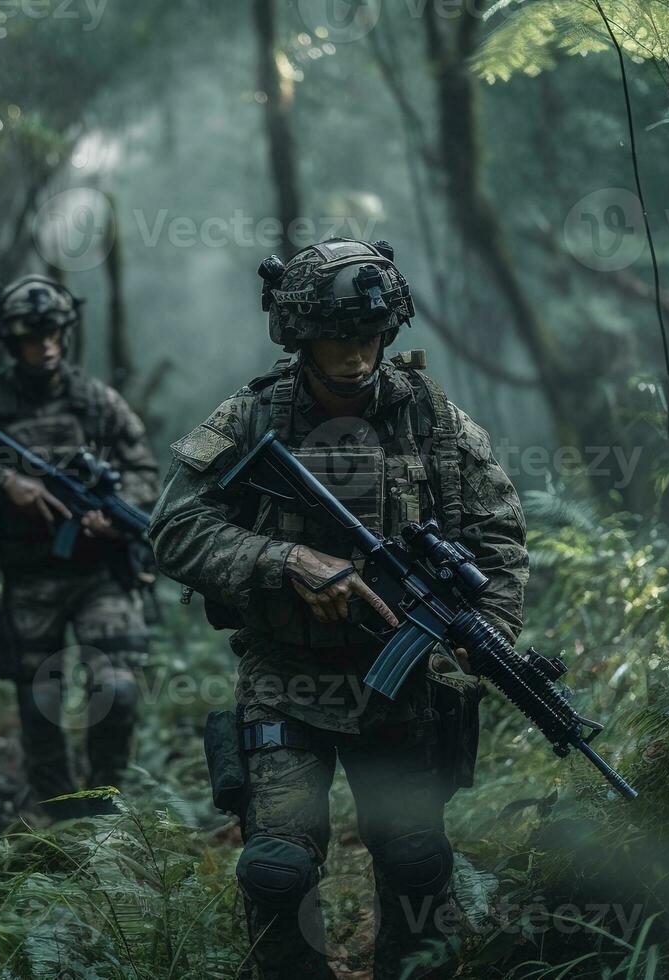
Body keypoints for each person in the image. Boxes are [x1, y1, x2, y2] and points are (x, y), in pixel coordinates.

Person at [147, 239, 529, 977]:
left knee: (418, 862)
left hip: (406, 682)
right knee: (277, 868)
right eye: (335, 338)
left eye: (368, 336)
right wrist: (283, 560)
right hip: (287, 677)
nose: (355, 356)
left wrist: (490, 635)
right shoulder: (251, 417)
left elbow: (498, 536)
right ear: (298, 336)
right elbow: (172, 529)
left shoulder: (433, 419)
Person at [0, 275, 158, 818]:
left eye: (53, 333)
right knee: (40, 701)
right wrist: (3, 483)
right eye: (31, 336)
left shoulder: (94, 400)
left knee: (116, 690)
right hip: (28, 574)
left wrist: (112, 514)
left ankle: (104, 801)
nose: (45, 344)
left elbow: (144, 468)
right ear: (10, 340)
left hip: (101, 571)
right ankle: (58, 814)